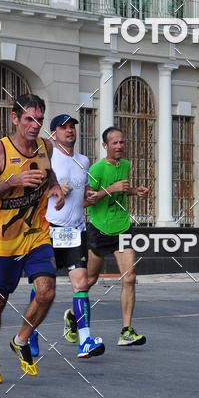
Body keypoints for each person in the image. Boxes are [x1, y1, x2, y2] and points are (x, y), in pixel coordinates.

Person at [0, 93, 65, 383]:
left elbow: (49, 173)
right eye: (29, 118)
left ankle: (21, 339)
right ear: (14, 118)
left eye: (39, 119)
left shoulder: (46, 147)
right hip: (5, 240)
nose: (34, 124)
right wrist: (13, 181)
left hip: (37, 233)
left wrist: (55, 188)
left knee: (47, 291)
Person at [28, 114, 104, 360]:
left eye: (72, 126)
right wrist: (53, 188)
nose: (69, 130)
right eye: (63, 127)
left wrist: (88, 197)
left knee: (81, 284)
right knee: (43, 289)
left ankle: (84, 341)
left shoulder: (84, 160)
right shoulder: (47, 158)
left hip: (75, 231)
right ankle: (30, 332)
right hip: (49, 230)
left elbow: (81, 196)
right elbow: (32, 189)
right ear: (53, 134)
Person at [86, 126, 149, 346]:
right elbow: (86, 201)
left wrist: (135, 191)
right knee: (90, 280)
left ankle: (126, 331)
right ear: (105, 146)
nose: (120, 146)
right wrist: (109, 189)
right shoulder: (97, 169)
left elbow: (121, 190)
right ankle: (73, 317)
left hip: (122, 228)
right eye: (115, 143)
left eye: (122, 142)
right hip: (99, 229)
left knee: (129, 278)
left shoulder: (126, 165)